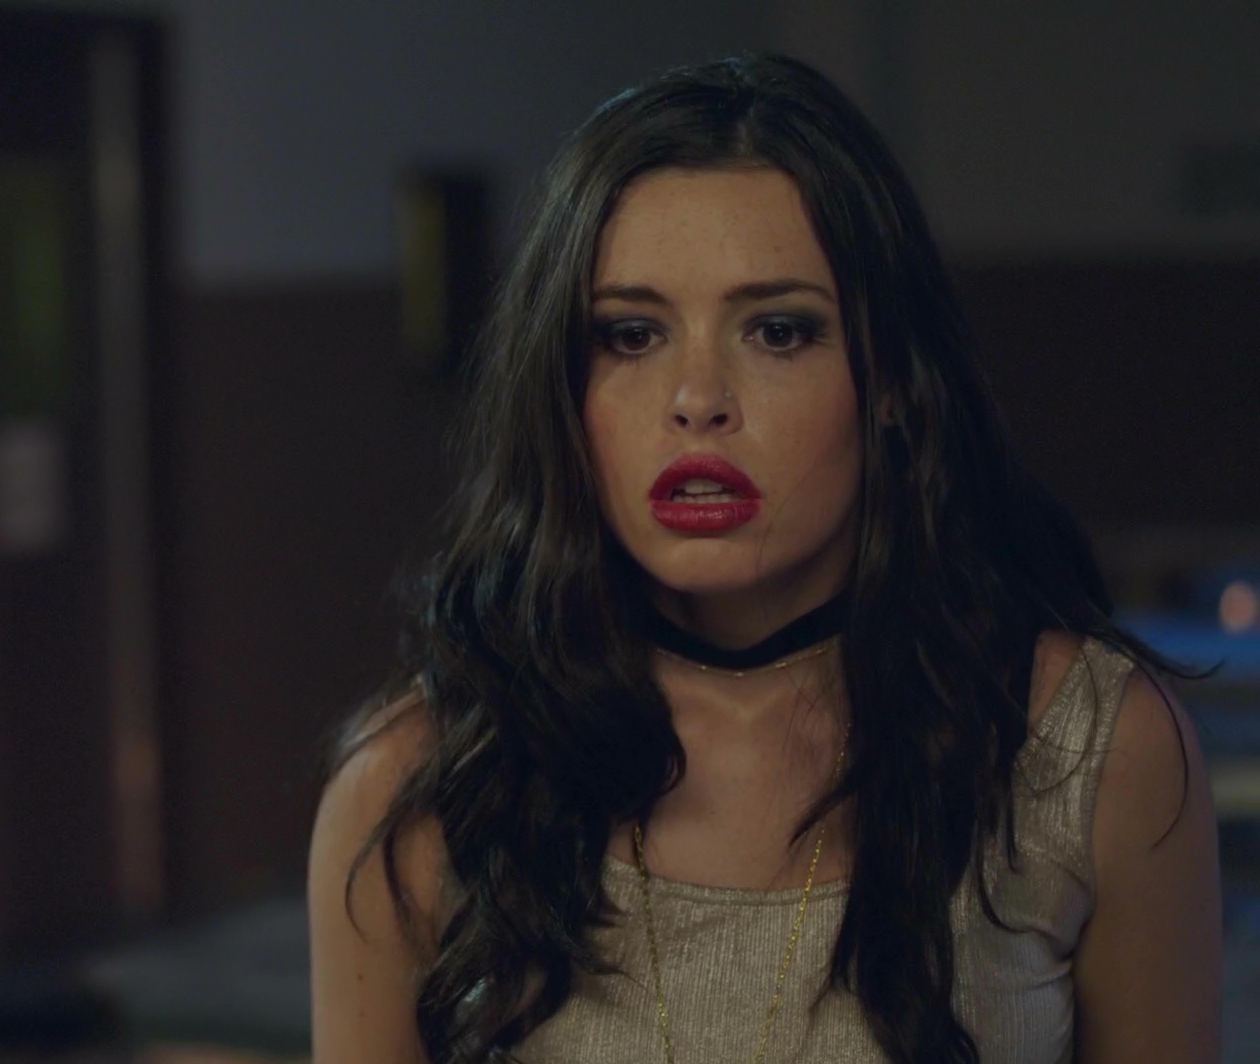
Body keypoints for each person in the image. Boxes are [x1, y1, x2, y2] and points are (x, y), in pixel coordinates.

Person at [307, 54, 1222, 1064]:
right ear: (561, 388)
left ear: (890, 382)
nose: (697, 398)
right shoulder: (423, 780)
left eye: (778, 331)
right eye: (630, 334)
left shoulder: (1089, 750)